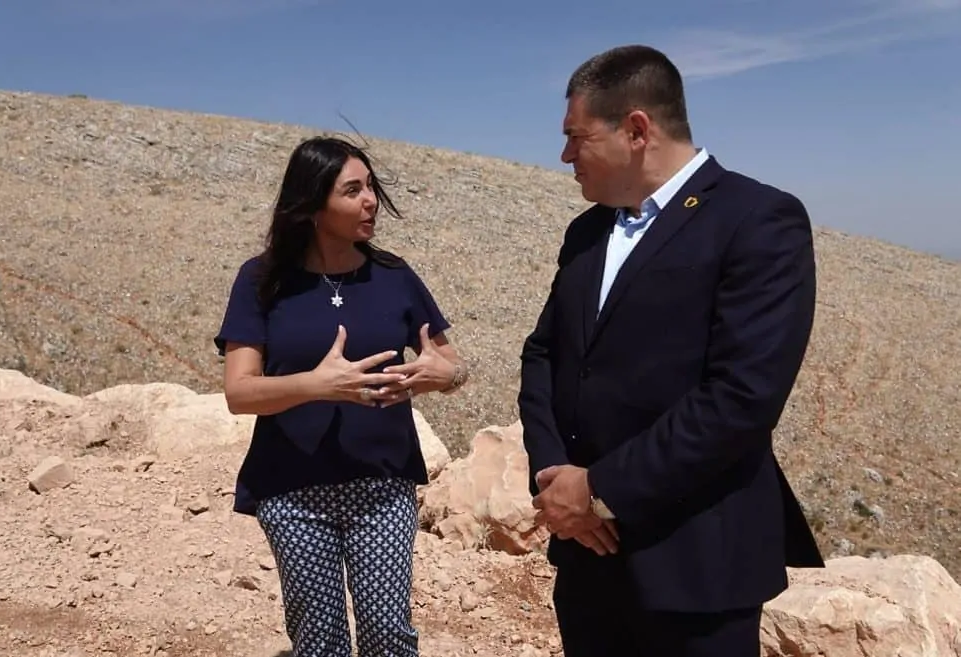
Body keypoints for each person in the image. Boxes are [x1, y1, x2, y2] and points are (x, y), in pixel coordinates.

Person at [519, 44, 825, 657]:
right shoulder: (587, 231)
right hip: (588, 556)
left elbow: (741, 397)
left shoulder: (757, 220)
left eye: (577, 137)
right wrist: (555, 479)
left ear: (637, 130)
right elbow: (546, 356)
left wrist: (599, 488)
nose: (565, 156)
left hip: (695, 565)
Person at [213, 135, 469, 657]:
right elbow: (239, 392)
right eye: (353, 190)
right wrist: (319, 384)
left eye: (370, 187)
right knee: (319, 642)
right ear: (312, 205)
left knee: (388, 635)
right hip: (292, 491)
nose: (371, 200)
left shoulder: (394, 276)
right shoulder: (261, 280)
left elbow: (453, 364)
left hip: (382, 486)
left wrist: (440, 375)